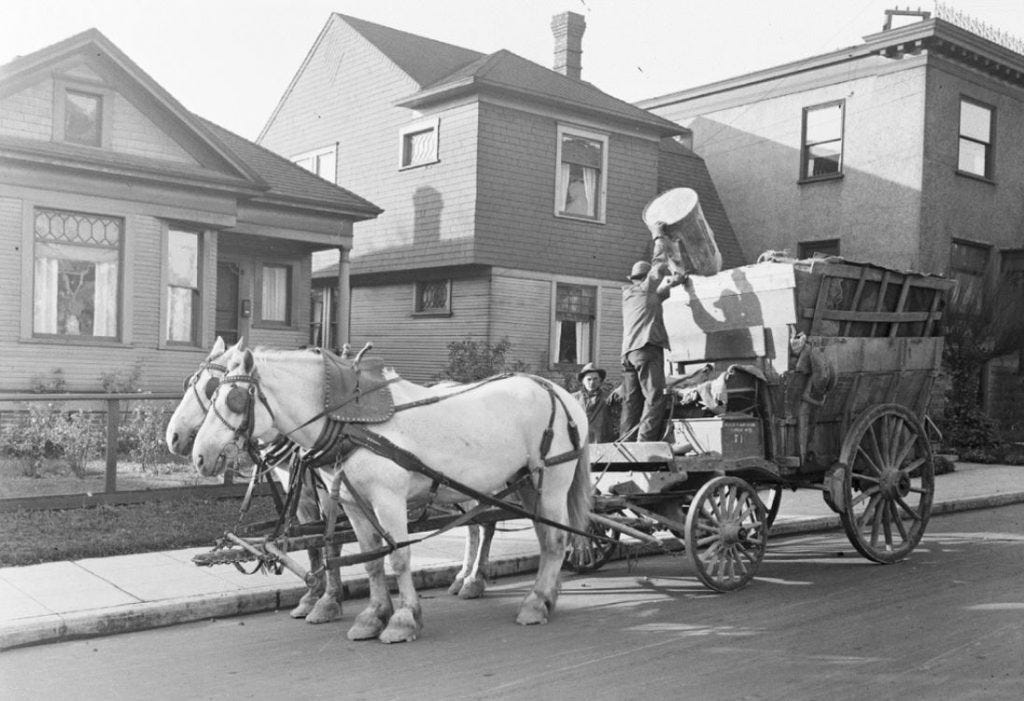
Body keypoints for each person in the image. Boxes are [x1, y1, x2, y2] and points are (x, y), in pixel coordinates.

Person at [620, 259, 687, 441]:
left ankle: (626, 442)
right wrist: (659, 236)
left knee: (631, 401)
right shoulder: (646, 288)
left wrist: (676, 280)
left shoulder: (630, 294)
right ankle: (645, 442)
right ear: (646, 278)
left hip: (629, 354)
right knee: (656, 396)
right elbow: (658, 263)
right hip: (646, 348)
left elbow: (660, 293)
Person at [571, 362, 618, 443]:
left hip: (602, 441)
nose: (592, 383)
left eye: (595, 379)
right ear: (583, 381)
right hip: (580, 441)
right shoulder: (573, 398)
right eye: (589, 379)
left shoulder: (608, 397)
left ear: (600, 381)